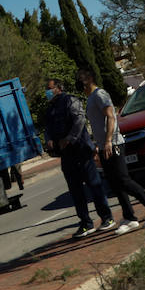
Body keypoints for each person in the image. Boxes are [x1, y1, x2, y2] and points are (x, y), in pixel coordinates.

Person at [77, 68, 145, 231]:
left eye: (82, 83)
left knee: (124, 180)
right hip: (104, 146)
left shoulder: (100, 95)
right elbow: (97, 125)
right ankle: (129, 217)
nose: (81, 87)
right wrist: (99, 144)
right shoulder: (90, 98)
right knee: (115, 183)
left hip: (114, 144)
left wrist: (109, 140)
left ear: (88, 81)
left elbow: (111, 116)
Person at [42, 77, 116, 238]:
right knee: (75, 190)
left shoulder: (70, 101)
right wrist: (48, 139)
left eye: (49, 88)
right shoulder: (50, 108)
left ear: (59, 88)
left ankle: (107, 217)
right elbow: (47, 128)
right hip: (66, 155)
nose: (47, 91)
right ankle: (85, 223)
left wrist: (69, 139)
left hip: (81, 150)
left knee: (94, 185)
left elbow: (79, 120)